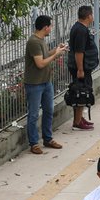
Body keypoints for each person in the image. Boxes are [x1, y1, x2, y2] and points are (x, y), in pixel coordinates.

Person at [24, 14, 67, 155]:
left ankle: (47, 138)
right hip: (35, 83)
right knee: (34, 114)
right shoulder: (34, 42)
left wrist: (55, 50)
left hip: (46, 82)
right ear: (45, 27)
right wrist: (56, 55)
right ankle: (34, 143)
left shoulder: (41, 40)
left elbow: (44, 55)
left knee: (49, 110)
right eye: (50, 26)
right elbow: (40, 63)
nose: (51, 29)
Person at [67, 5, 98, 131]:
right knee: (81, 92)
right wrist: (80, 69)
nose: (93, 17)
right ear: (89, 16)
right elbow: (79, 52)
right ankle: (78, 122)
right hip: (81, 67)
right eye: (92, 15)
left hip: (81, 67)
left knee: (79, 91)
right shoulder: (81, 30)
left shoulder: (79, 27)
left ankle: (78, 118)